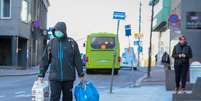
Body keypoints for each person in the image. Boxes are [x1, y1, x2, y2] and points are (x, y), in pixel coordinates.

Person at [38, 22, 85, 101]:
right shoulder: (51, 43)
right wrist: (41, 74)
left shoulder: (72, 43)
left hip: (68, 78)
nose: (57, 33)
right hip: (54, 78)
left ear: (64, 31)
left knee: (67, 98)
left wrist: (81, 74)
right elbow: (45, 60)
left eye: (59, 31)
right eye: (56, 31)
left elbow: (77, 60)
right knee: (54, 98)